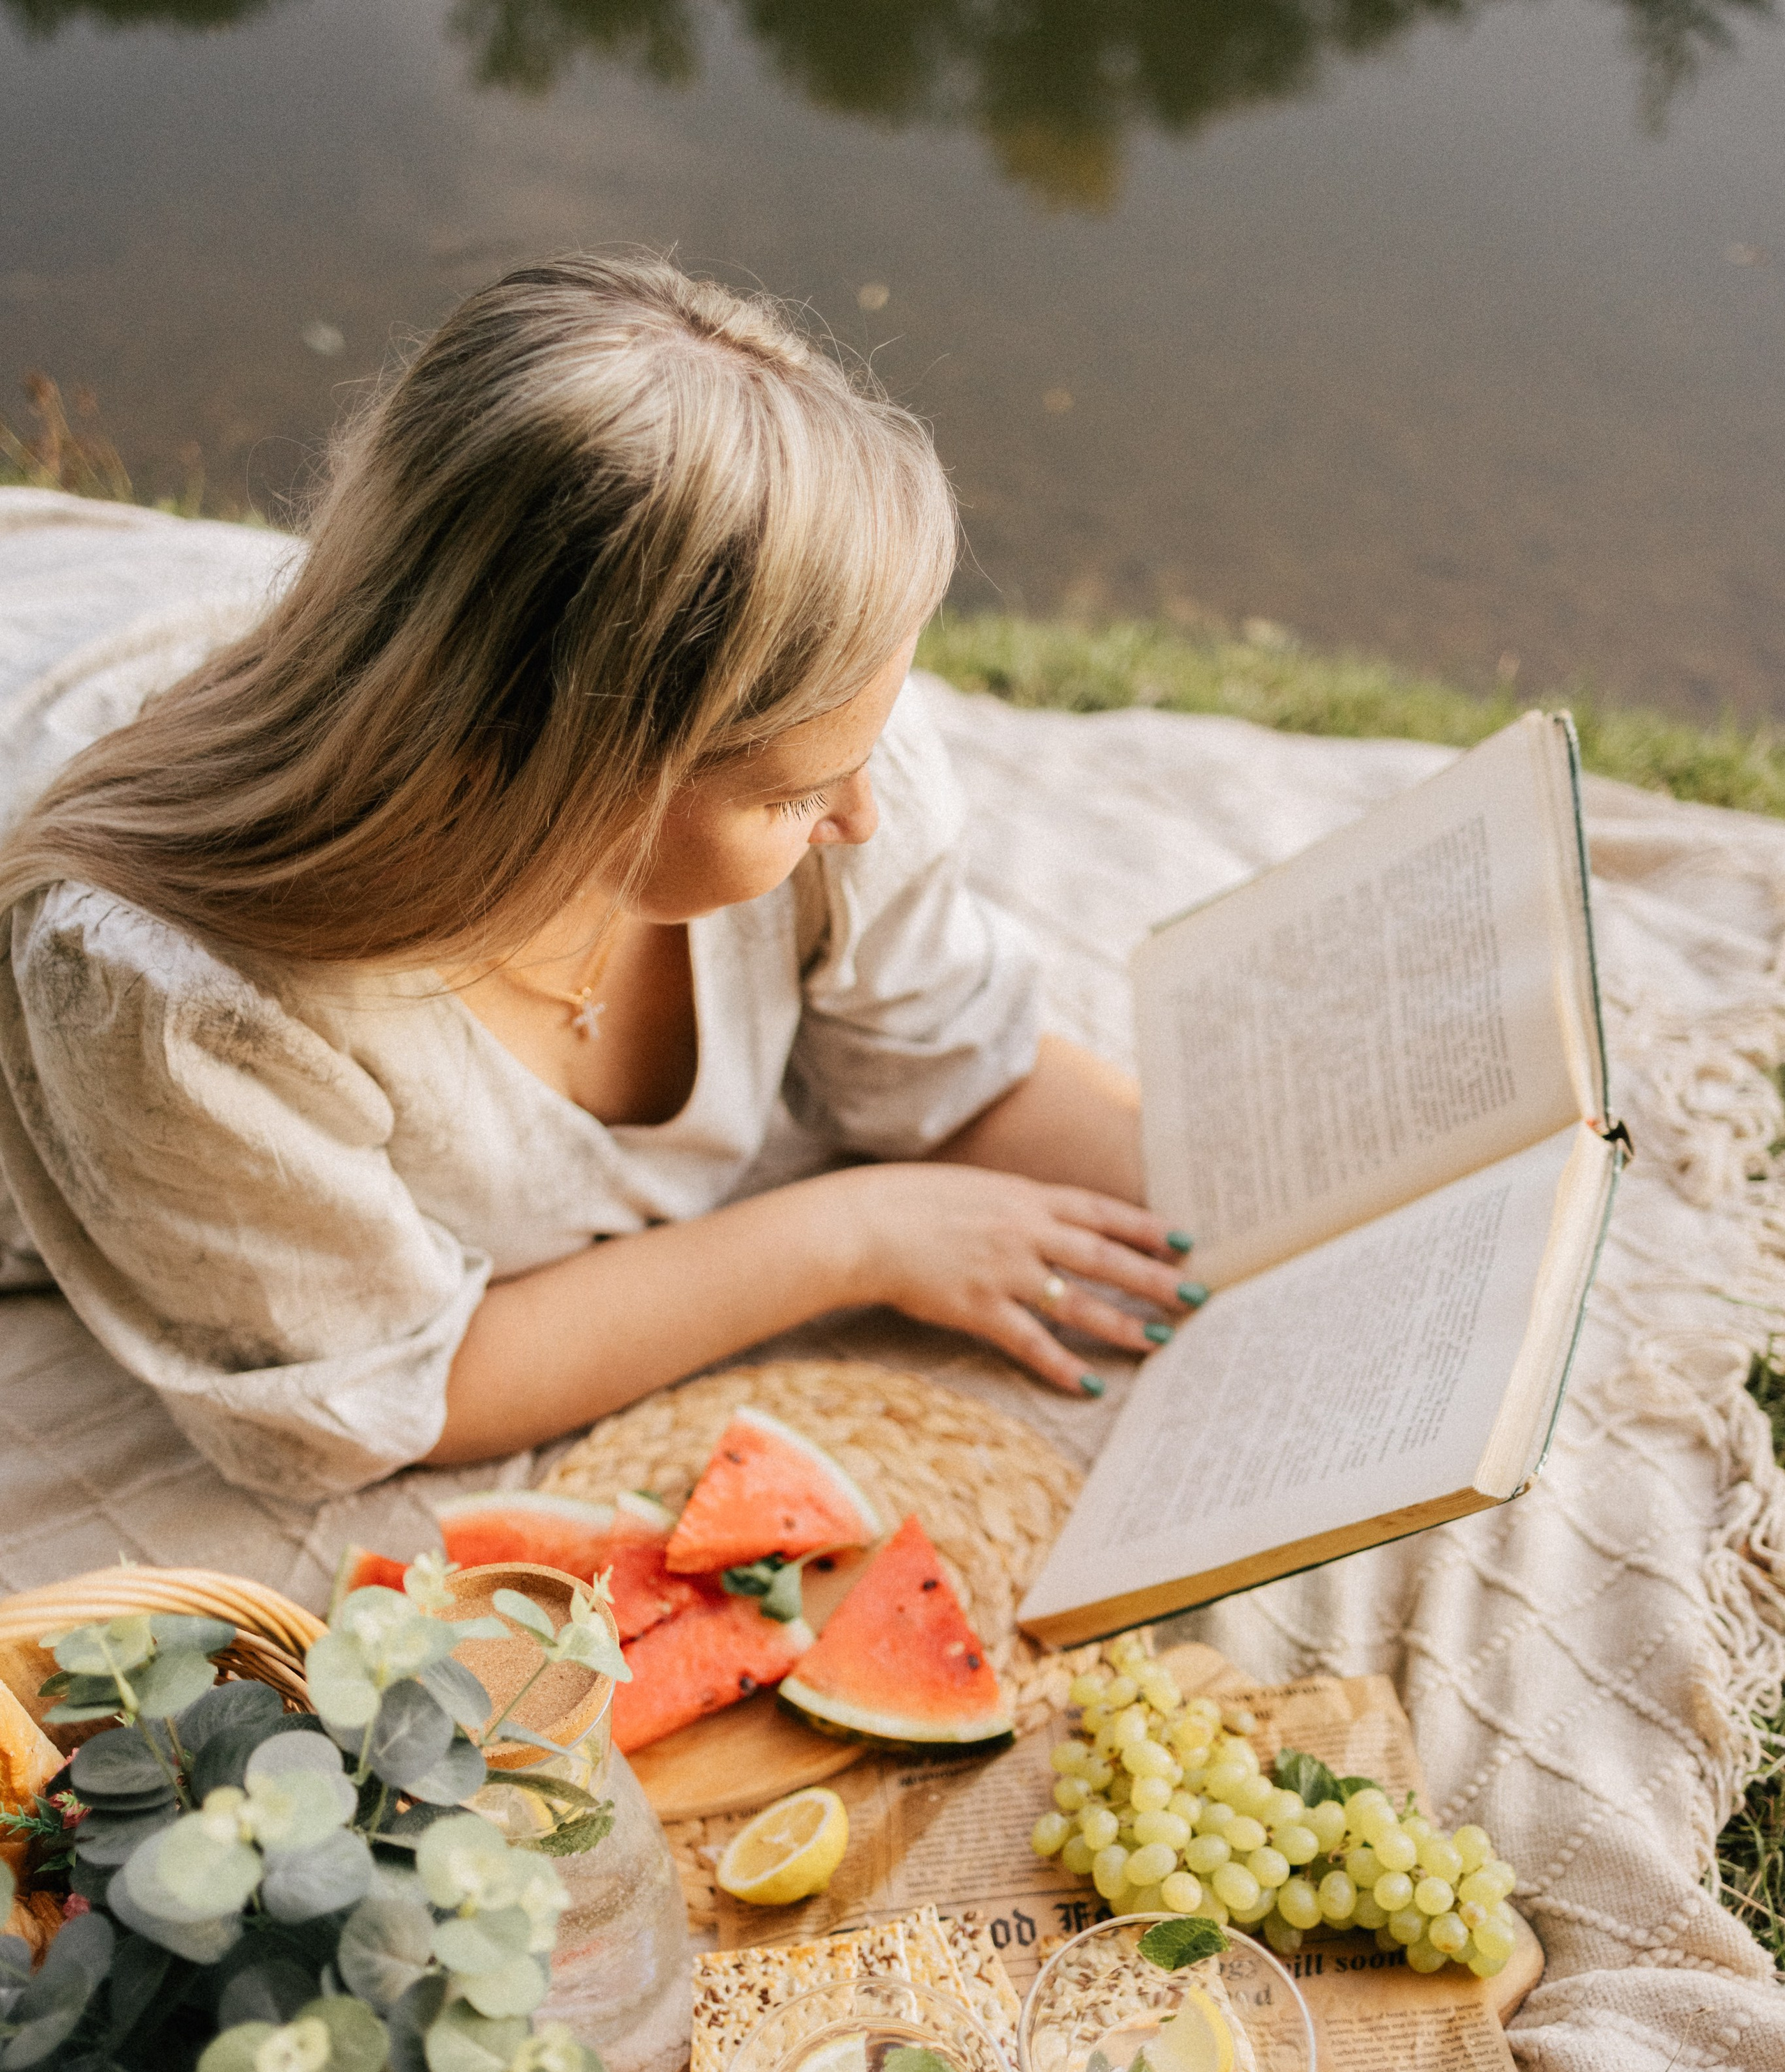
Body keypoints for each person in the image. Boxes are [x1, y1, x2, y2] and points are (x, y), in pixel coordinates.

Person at [0, 257, 1197, 1505]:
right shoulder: (171, 994)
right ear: (556, 774)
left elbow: (959, 1069)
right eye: (794, 795)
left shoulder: (834, 743)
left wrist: (1253, 1210)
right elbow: (372, 1397)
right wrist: (856, 1237)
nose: (864, 816)